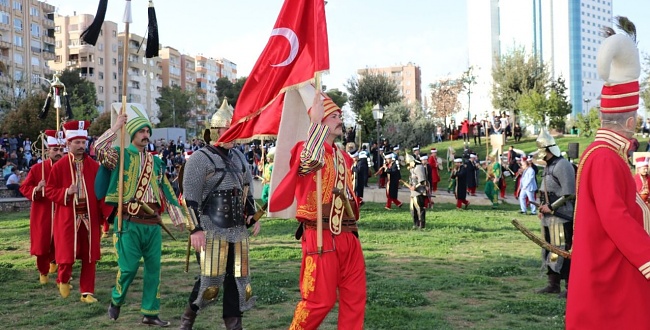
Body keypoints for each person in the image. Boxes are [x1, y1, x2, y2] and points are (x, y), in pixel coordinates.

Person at [566, 23, 650, 328]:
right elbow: (615, 218)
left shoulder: (605, 153)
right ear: (629, 120)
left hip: (610, 269)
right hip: (610, 277)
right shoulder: (605, 157)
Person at [269, 93, 366, 329]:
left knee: (355, 298)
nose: (339, 119)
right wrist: (315, 123)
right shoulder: (307, 148)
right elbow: (307, 163)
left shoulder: (343, 156)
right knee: (319, 301)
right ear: (320, 120)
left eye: (340, 115)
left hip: (348, 236)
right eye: (333, 116)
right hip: (320, 235)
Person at [95, 104, 186, 327]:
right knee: (128, 269)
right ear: (132, 134)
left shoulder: (156, 162)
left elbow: (166, 189)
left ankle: (150, 312)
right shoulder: (120, 156)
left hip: (153, 224)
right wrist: (117, 127)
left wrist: (178, 216)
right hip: (128, 223)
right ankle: (117, 300)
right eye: (141, 131)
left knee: (154, 270)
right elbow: (97, 148)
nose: (145, 135)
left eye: (148, 132)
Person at [179, 103, 261, 330]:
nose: (234, 135)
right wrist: (195, 229)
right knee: (211, 278)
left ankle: (233, 324)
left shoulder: (238, 157)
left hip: (236, 228)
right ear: (216, 131)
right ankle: (188, 319)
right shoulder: (199, 158)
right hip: (210, 227)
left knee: (238, 278)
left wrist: (253, 214)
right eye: (229, 130)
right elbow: (190, 198)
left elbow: (246, 188)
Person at [45, 120, 105, 303]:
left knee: (90, 256)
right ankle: (63, 279)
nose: (81, 146)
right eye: (77, 142)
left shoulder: (95, 166)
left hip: (89, 216)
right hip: (67, 217)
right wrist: (65, 192)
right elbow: (49, 191)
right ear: (68, 144)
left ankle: (87, 292)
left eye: (83, 142)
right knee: (66, 253)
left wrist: (106, 215)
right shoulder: (60, 166)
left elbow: (101, 191)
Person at [19, 130, 65, 284]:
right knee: (41, 242)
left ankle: (58, 267)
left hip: (61, 211)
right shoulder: (38, 169)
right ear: (48, 151)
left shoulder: (67, 168)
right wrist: (37, 189)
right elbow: (24, 188)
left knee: (62, 241)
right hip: (42, 212)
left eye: (61, 150)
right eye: (55, 150)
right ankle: (43, 271)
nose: (58, 153)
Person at [534, 130, 575, 298]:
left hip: (561, 216)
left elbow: (569, 193)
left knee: (561, 250)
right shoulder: (549, 166)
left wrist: (551, 207)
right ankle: (553, 284)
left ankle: (570, 286)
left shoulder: (562, 165)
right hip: (549, 217)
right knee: (550, 250)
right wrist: (543, 207)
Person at [406, 153, 427, 229]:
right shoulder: (412, 168)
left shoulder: (419, 167)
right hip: (413, 192)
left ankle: (422, 225)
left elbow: (422, 181)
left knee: (420, 208)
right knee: (412, 209)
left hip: (419, 191)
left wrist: (415, 187)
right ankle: (416, 223)